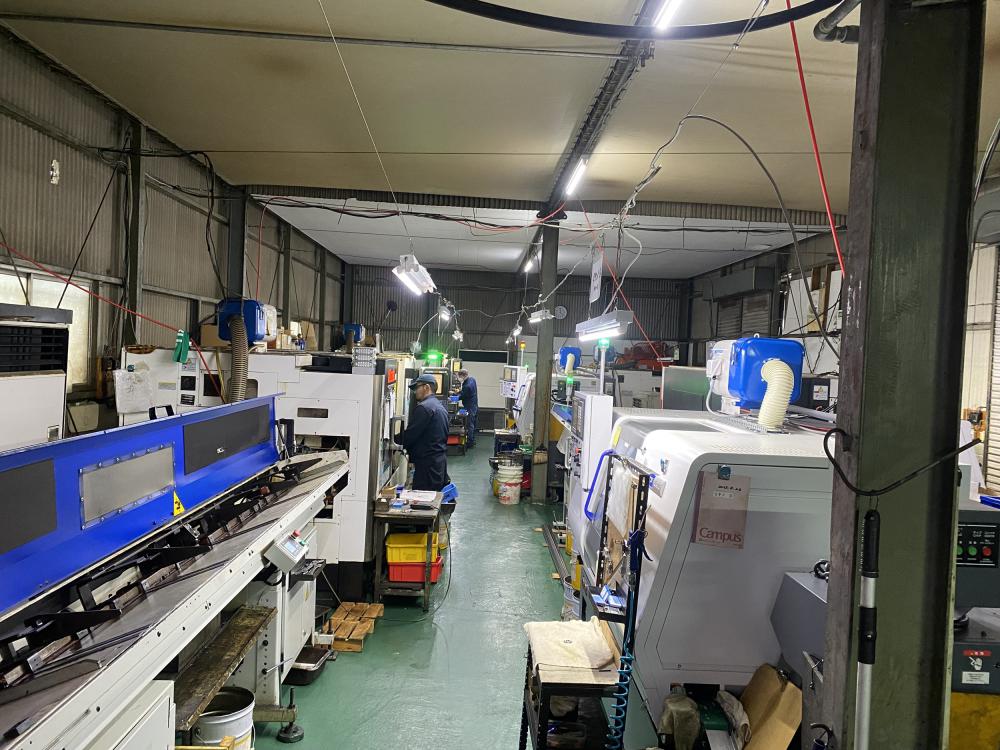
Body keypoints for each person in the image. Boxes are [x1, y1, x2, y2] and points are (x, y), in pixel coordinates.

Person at [397, 373, 450, 491]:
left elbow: (410, 435)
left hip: (427, 466)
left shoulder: (424, 408)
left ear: (426, 387)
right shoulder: (438, 406)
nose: (415, 391)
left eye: (417, 387)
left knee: (424, 497)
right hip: (438, 463)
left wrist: (392, 441)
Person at [457, 368, 479, 449]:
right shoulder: (472, 379)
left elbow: (463, 396)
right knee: (473, 423)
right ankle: (472, 440)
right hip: (474, 404)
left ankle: (470, 443)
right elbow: (465, 392)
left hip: (469, 406)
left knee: (469, 424)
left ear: (462, 375)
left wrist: (454, 396)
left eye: (459, 376)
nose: (459, 378)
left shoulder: (467, 386)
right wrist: (460, 391)